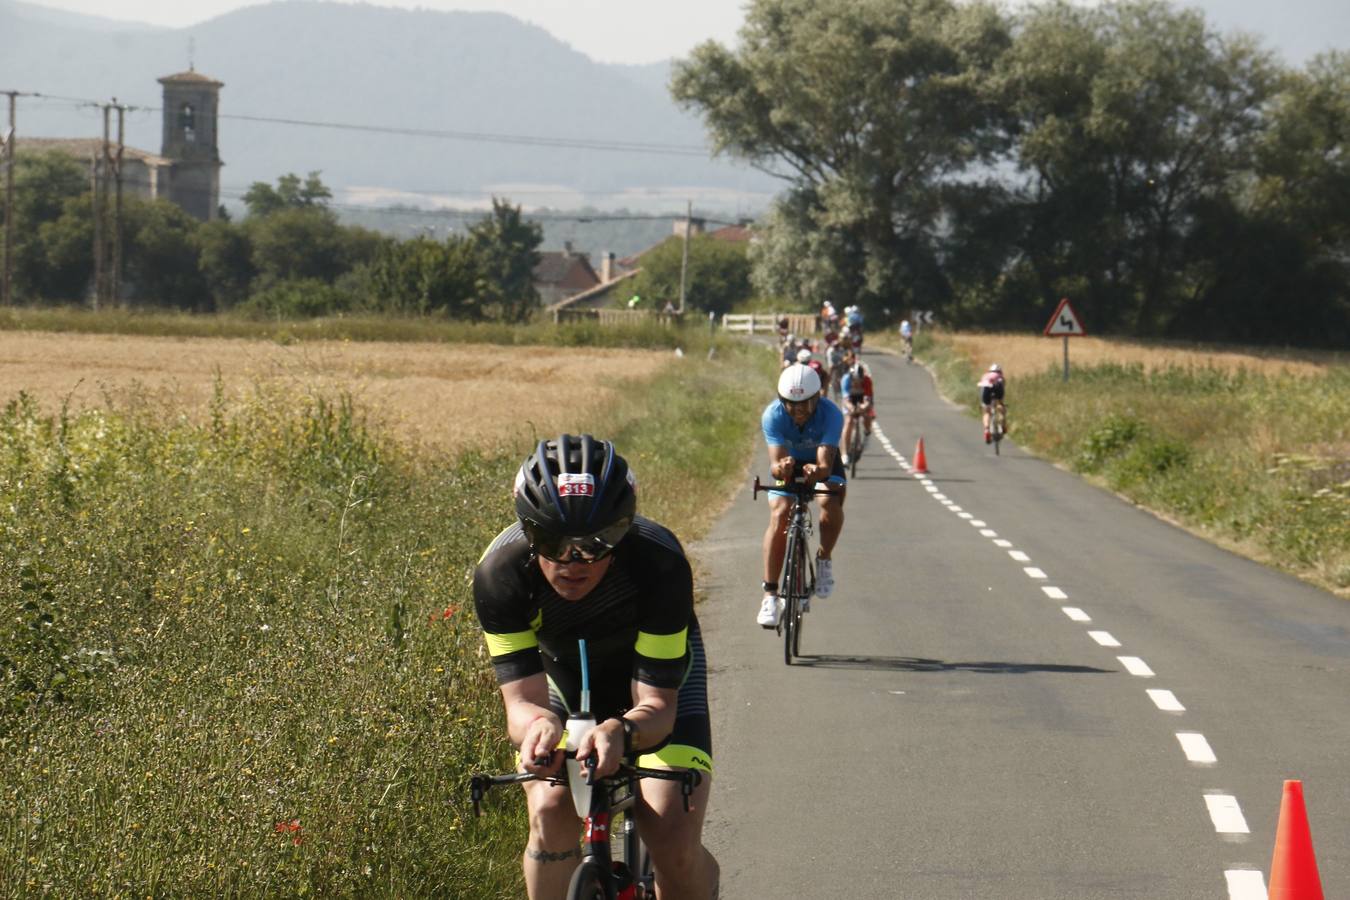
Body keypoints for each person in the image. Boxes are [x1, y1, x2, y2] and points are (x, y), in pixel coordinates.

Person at [472, 435, 719, 900]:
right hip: (565, 683)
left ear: (622, 532)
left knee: (671, 836)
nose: (573, 561)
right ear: (527, 529)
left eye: (597, 543)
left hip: (650, 692)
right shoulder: (501, 574)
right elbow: (522, 703)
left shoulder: (658, 563)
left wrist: (624, 732)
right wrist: (541, 725)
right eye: (551, 541)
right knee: (550, 812)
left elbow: (658, 706)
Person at [758, 364, 846, 626]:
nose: (797, 413)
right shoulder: (772, 415)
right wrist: (782, 468)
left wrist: (817, 471)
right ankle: (770, 595)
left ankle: (824, 559)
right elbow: (775, 464)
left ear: (817, 399)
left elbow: (824, 465)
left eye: (804, 406)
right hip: (789, 463)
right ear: (781, 400)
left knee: (829, 504)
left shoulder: (831, 414)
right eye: (791, 405)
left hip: (821, 463)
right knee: (780, 513)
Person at [839, 360, 875, 464]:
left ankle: (867, 434)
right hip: (850, 400)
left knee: (867, 416)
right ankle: (844, 454)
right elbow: (846, 400)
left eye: (860, 380)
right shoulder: (846, 380)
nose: (858, 382)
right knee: (848, 421)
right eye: (855, 380)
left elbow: (867, 400)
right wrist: (851, 409)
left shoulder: (867, 381)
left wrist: (863, 408)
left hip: (862, 398)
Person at [978, 363, 1006, 443]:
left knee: (986, 411)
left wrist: (984, 405)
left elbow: (981, 388)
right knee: (1000, 406)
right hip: (998, 388)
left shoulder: (985, 375)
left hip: (985, 389)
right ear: (1000, 371)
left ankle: (987, 430)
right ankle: (1002, 425)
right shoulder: (1000, 376)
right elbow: (1002, 389)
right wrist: (1001, 403)